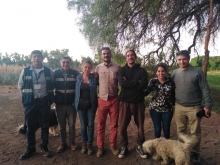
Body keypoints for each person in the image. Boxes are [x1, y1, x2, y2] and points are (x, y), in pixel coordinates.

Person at [171, 50, 212, 163]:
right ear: (177, 60)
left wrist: (208, 105)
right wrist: (154, 81)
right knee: (181, 131)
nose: (182, 61)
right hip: (179, 107)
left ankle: (195, 153)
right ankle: (182, 151)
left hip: (194, 107)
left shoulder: (197, 72)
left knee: (195, 133)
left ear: (188, 59)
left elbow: (205, 89)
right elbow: (167, 84)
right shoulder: (175, 73)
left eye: (184, 59)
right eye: (179, 59)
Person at [18, 50, 54, 160]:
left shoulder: (48, 71)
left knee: (44, 126)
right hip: (30, 104)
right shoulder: (25, 71)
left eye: (38, 56)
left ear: (42, 58)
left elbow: (51, 85)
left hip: (44, 102)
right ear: (31, 58)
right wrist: (28, 97)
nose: (36, 58)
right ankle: (31, 148)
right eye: (34, 56)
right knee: (30, 127)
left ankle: (44, 147)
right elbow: (20, 86)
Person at [118, 50, 148, 159]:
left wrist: (130, 83)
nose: (130, 57)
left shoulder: (142, 71)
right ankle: (124, 147)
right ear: (126, 58)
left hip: (138, 102)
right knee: (122, 127)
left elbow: (143, 85)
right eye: (128, 55)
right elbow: (122, 83)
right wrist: (137, 82)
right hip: (125, 102)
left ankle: (140, 146)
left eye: (132, 55)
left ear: (135, 57)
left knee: (140, 127)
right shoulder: (121, 70)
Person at [95, 47, 120, 157]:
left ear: (111, 54)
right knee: (101, 125)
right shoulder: (98, 68)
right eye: (104, 53)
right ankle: (100, 147)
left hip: (114, 99)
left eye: (108, 53)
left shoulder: (117, 67)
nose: (106, 55)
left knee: (114, 125)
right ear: (101, 55)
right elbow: (95, 83)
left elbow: (122, 82)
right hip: (102, 100)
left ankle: (113, 146)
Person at [54, 56, 79, 153]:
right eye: (63, 62)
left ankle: (72, 142)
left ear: (70, 63)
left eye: (67, 62)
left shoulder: (75, 73)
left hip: (71, 105)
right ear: (61, 63)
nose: (65, 64)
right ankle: (62, 143)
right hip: (59, 105)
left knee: (72, 125)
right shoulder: (55, 73)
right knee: (61, 125)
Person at [144, 63, 175, 139]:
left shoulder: (170, 81)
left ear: (166, 72)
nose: (161, 73)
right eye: (159, 71)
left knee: (166, 129)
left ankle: (166, 147)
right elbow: (146, 92)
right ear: (156, 72)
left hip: (167, 109)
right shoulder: (153, 82)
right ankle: (157, 147)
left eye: (163, 71)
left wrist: (173, 103)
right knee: (157, 129)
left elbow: (174, 93)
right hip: (154, 109)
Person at [74, 60, 98, 155]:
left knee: (91, 125)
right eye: (85, 67)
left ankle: (89, 145)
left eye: (89, 67)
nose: (87, 69)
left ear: (91, 68)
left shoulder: (94, 78)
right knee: (83, 126)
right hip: (80, 105)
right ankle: (84, 144)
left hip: (91, 105)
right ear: (82, 68)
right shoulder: (78, 78)